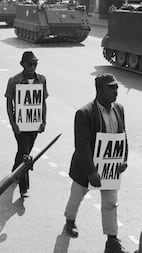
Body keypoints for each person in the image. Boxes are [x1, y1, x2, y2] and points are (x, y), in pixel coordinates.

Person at [63, 73, 128, 253]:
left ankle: (112, 240)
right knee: (76, 197)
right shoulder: (84, 113)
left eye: (116, 87)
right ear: (99, 90)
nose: (115, 91)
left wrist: (123, 160)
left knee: (110, 202)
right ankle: (69, 221)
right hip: (86, 168)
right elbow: (82, 145)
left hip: (109, 168)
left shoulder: (119, 109)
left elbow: (123, 137)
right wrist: (91, 172)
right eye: (111, 88)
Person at [4, 51, 47, 198]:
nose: (33, 67)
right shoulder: (14, 80)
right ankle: (24, 188)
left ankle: (14, 174)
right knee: (25, 154)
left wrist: (43, 121)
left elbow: (42, 102)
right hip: (19, 124)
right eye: (30, 64)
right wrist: (13, 123)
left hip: (34, 123)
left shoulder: (41, 80)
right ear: (22, 65)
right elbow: (9, 103)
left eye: (35, 64)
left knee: (24, 151)